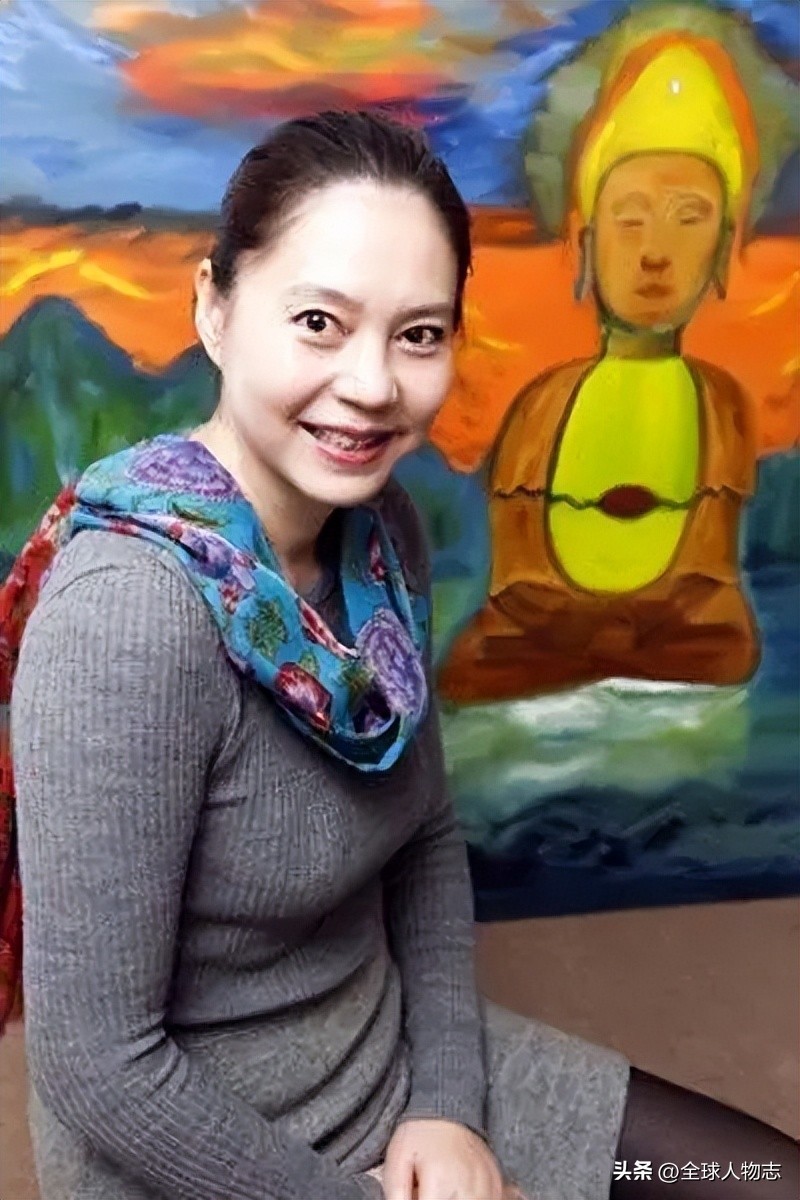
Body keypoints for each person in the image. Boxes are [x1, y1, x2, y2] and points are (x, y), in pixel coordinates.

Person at [1, 111, 797, 1200]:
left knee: (761, 1176)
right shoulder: (129, 616)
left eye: (419, 334)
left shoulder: (380, 532)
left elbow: (422, 834)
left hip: (388, 1066)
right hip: (190, 1149)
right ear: (214, 309)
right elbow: (101, 1069)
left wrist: (448, 1108)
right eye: (319, 323)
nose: (373, 385)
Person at [438, 35, 762, 705]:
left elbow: (711, 606)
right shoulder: (543, 406)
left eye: (689, 220)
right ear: (586, 243)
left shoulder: (720, 406)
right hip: (535, 679)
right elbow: (516, 594)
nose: (654, 253)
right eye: (630, 220)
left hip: (682, 674)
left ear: (722, 249)